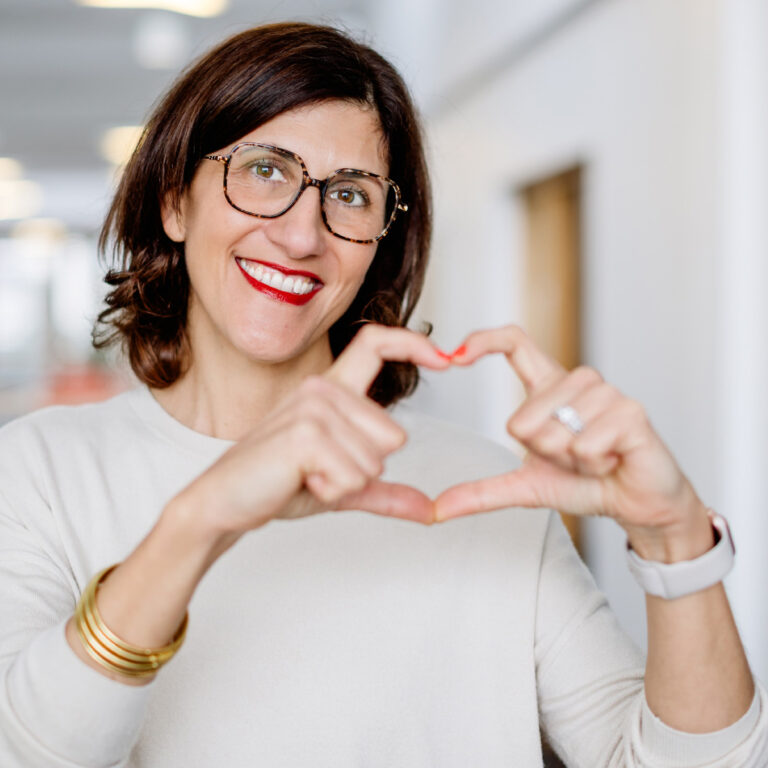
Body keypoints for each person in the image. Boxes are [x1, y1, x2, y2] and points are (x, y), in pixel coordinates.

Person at [0, 21, 765, 768]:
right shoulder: (40, 473)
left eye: (350, 194)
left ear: (380, 243)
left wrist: (676, 542)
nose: (303, 235)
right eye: (264, 170)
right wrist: (201, 518)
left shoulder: (484, 493)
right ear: (175, 202)